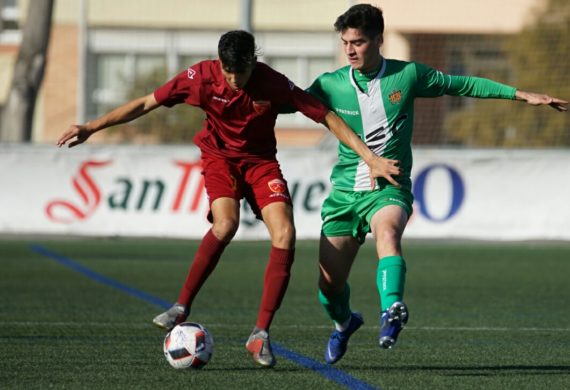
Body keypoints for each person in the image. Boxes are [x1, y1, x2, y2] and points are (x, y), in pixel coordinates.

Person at [56, 30, 401, 368]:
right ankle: (181, 306)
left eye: (242, 71)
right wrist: (91, 127)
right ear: (219, 63)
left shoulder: (273, 82)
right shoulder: (200, 77)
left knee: (285, 234)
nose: (234, 79)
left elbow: (325, 115)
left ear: (254, 62)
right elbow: (148, 102)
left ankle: (260, 333)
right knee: (225, 225)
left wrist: (370, 158)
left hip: (261, 164)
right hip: (219, 160)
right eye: (228, 71)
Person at [305, 4, 568, 365]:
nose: (350, 49)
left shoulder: (408, 75)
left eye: (359, 42)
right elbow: (287, 101)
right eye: (346, 42)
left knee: (389, 235)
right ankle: (343, 323)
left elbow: (464, 84)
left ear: (379, 40)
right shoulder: (329, 84)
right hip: (345, 196)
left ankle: (391, 309)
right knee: (328, 287)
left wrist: (522, 95)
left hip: (390, 188)